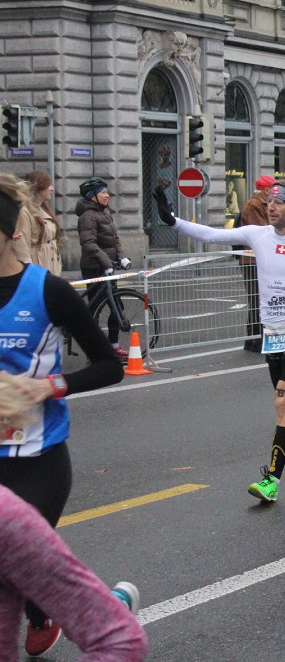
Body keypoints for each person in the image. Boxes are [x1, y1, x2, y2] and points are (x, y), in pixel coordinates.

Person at [153, 179, 285, 502]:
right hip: (273, 334)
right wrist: (172, 220)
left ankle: (271, 481)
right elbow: (212, 235)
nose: (270, 207)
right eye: (269, 201)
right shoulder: (257, 235)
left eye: (277, 202)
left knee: (281, 402)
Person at [0, 173, 126, 656]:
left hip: (38, 462)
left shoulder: (49, 292)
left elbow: (109, 365)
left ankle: (104, 617)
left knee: (11, 562)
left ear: (13, 231)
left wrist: (46, 386)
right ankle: (83, 609)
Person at [0, 484, 148, 661]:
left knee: (25, 564)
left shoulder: (8, 521)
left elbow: (122, 641)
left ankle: (94, 611)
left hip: (34, 469)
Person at [76, 177, 132, 359]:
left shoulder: (105, 213)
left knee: (117, 305)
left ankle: (113, 345)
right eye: (103, 192)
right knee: (95, 309)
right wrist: (107, 263)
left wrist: (122, 257)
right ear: (92, 196)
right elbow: (89, 244)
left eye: (106, 192)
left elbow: (115, 240)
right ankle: (93, 351)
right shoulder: (88, 216)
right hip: (94, 268)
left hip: (107, 267)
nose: (107, 195)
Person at [238, 175, 275, 352]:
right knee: (257, 299)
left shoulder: (263, 204)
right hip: (252, 260)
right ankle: (256, 339)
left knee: (259, 298)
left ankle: (255, 339)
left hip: (259, 259)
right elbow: (263, 231)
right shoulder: (255, 205)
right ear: (266, 190)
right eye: (273, 190)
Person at [12, 171, 61, 275]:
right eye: (49, 185)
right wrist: (29, 273)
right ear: (39, 187)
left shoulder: (44, 209)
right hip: (37, 271)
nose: (52, 189)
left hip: (50, 270)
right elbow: (22, 248)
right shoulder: (24, 211)